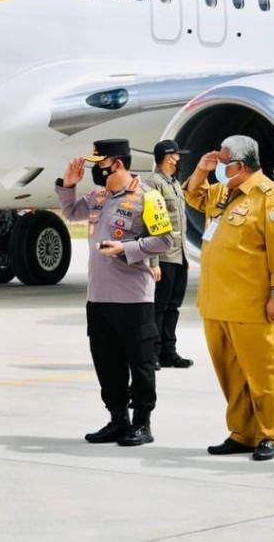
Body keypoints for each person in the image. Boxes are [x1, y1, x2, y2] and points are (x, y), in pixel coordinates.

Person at [184, 135, 274, 462]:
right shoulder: (222, 192)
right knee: (231, 375)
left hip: (255, 307)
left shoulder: (271, 199)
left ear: (241, 166)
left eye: (222, 163)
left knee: (265, 375)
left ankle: (270, 435)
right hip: (218, 305)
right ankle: (243, 432)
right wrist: (202, 170)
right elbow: (192, 195)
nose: (218, 167)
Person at [56, 139, 173, 447]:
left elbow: (165, 241)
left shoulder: (147, 197)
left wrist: (128, 248)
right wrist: (68, 184)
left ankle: (142, 423)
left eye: (100, 164)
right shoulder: (98, 196)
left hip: (133, 298)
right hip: (98, 297)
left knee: (141, 362)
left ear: (117, 164)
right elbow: (70, 212)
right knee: (106, 362)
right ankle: (117, 418)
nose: (96, 170)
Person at [144, 139, 193, 370]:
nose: (180, 159)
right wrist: (153, 262)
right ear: (169, 157)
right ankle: (152, 353)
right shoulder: (153, 184)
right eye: (177, 155)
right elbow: (151, 224)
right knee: (159, 308)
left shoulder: (174, 183)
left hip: (178, 256)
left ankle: (168, 352)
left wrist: (185, 257)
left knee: (173, 307)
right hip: (162, 257)